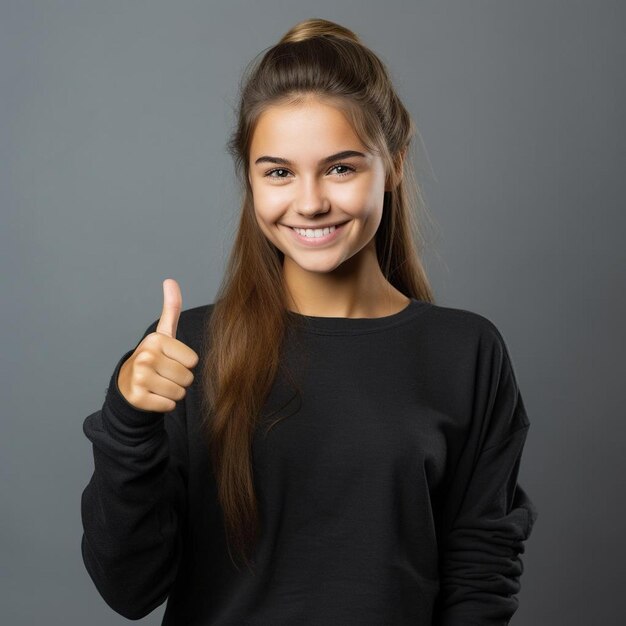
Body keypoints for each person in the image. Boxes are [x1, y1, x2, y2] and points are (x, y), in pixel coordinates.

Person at [80, 17, 538, 625]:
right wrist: (128, 422)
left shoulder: (466, 350)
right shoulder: (181, 353)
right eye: (278, 172)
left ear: (394, 164)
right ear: (249, 177)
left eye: (341, 168)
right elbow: (129, 590)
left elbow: (481, 572)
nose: (310, 200)